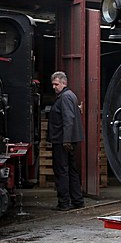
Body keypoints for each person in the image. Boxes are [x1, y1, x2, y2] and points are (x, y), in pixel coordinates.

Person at [48, 70, 84, 210]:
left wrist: (66, 140)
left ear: (63, 83)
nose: (54, 87)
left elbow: (69, 119)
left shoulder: (65, 97)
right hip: (66, 140)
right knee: (71, 171)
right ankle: (77, 200)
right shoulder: (69, 96)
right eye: (53, 84)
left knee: (62, 171)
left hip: (63, 140)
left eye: (56, 84)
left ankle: (64, 203)